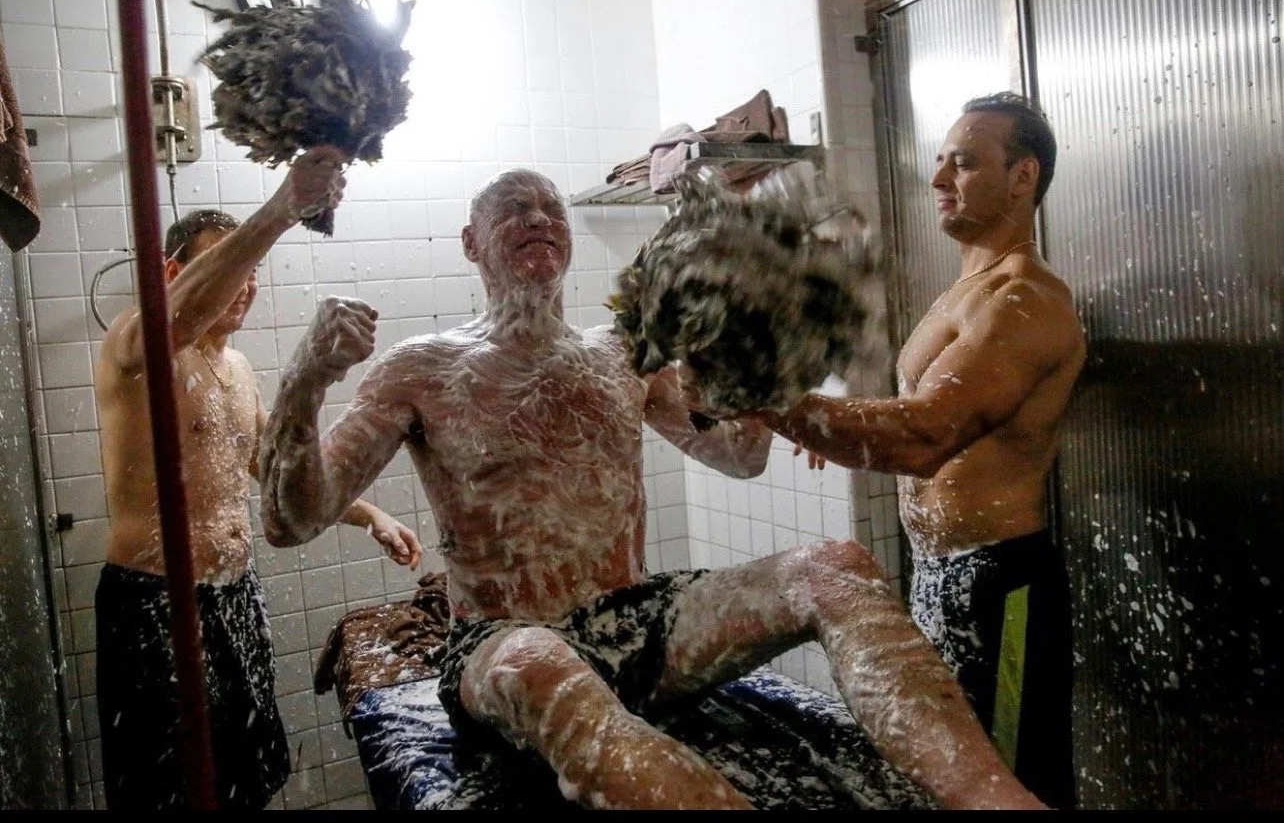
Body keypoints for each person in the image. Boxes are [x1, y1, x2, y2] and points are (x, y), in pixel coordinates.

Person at [257, 168, 1045, 811]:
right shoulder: (421, 367)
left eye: (550, 207)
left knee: (835, 566)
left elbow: (739, 458)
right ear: (471, 242)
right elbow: (294, 519)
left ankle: (1000, 802)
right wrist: (305, 381)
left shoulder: (623, 352)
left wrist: (765, 350)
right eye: (513, 207)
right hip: (503, 638)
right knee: (540, 661)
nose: (537, 217)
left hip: (636, 621)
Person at [707, 93, 1085, 808]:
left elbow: (925, 434)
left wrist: (773, 402)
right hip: (936, 575)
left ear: (1023, 176)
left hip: (999, 586)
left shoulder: (1025, 300)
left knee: (1010, 788)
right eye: (940, 161)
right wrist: (830, 427)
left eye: (963, 163)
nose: (938, 179)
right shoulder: (961, 294)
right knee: (947, 783)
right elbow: (908, 416)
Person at [93, 146, 424, 810]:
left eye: (252, 272)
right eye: (231, 267)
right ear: (175, 274)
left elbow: (277, 466)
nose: (245, 285)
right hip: (155, 602)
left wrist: (371, 516)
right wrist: (280, 210)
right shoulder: (135, 347)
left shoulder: (237, 369)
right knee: (172, 789)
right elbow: (170, 321)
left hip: (234, 596)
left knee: (245, 776)